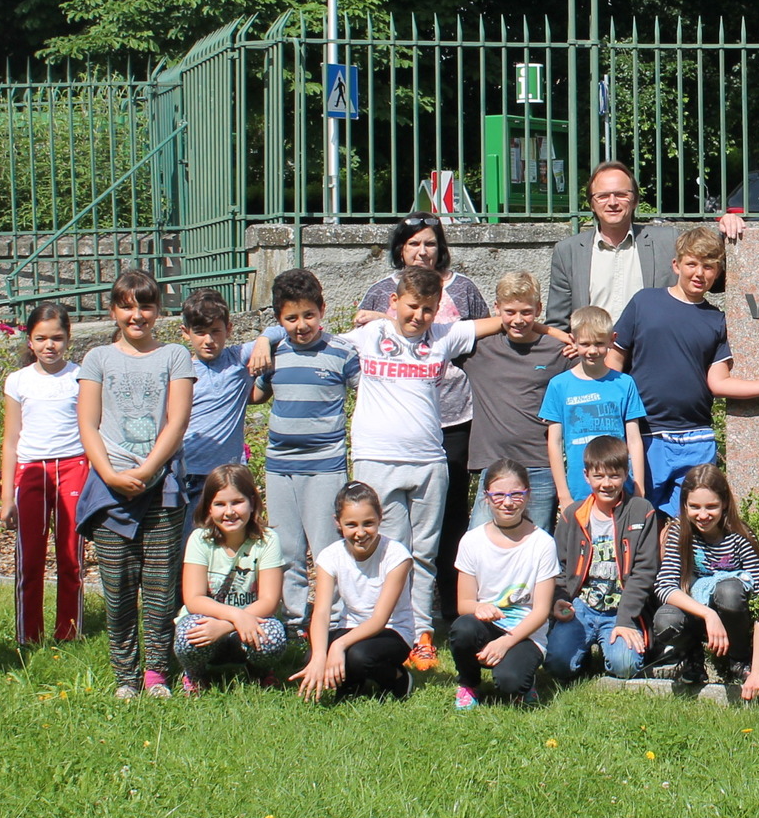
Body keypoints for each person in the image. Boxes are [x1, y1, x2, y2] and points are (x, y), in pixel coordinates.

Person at [256, 264, 519, 674]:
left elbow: (503, 320)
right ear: (393, 302)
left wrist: (555, 333)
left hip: (429, 460)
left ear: (439, 312)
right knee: (388, 553)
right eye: (412, 307)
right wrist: (263, 336)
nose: (419, 316)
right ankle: (387, 630)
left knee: (424, 553)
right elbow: (305, 329)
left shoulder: (445, 336)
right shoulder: (368, 337)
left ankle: (422, 635)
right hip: (376, 459)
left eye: (429, 309)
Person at [610, 227, 759, 514]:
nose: (699, 273)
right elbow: (614, 362)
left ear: (717, 273)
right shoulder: (645, 302)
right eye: (692, 264)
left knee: (695, 523)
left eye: (708, 266)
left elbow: (718, 382)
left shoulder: (716, 320)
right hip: (645, 434)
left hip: (696, 437)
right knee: (640, 518)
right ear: (676, 265)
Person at [356, 214, 492, 619]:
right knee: (393, 540)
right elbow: (334, 337)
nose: (422, 250)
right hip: (387, 442)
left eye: (430, 243)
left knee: (445, 528)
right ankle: (395, 621)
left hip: (450, 423)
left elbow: (491, 325)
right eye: (414, 243)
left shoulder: (461, 290)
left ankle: (442, 616)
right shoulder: (380, 300)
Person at [77, 269, 197, 699]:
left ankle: (156, 673)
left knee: (162, 587)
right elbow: (87, 424)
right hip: (110, 488)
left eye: (145, 305)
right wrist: (109, 474)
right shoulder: (97, 359)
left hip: (162, 487)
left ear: (157, 311)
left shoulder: (175, 356)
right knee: (118, 588)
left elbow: (177, 421)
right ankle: (125, 677)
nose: (137, 314)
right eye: (127, 306)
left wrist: (148, 470)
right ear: (113, 310)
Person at [251, 268, 359, 638]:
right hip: (279, 466)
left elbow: (370, 395)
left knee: (327, 549)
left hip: (325, 467)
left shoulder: (343, 353)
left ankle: (331, 622)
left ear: (323, 310)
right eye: (291, 318)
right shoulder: (276, 352)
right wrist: (263, 342)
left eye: (309, 315)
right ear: (279, 320)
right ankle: (296, 622)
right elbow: (256, 394)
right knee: (286, 549)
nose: (301, 325)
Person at [545, 160, 746, 329]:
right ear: (592, 203)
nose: (612, 202)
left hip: (652, 361)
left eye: (621, 194)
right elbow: (557, 324)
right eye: (603, 196)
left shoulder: (667, 241)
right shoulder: (568, 252)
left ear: (634, 201)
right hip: (593, 362)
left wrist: (726, 232)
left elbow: (716, 279)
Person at [459, 271, 571, 535]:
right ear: (496, 308)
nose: (518, 320)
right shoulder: (478, 349)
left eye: (526, 312)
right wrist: (382, 319)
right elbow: (434, 335)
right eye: (510, 312)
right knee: (480, 541)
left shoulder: (558, 351)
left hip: (540, 464)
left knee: (537, 541)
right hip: (494, 465)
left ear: (539, 309)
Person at [0, 301, 85, 646]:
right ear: (29, 340)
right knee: (30, 560)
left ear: (68, 338)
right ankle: (28, 636)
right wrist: (7, 496)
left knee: (70, 557)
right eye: (41, 338)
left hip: (74, 468)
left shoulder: (80, 376)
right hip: (32, 472)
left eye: (57, 338)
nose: (50, 345)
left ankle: (69, 632)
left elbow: (90, 427)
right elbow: (10, 441)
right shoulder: (18, 381)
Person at [649, 463, 759, 697]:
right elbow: (665, 586)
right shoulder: (678, 532)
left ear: (725, 503)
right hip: (698, 613)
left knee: (728, 591)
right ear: (684, 505)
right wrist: (708, 614)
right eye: (694, 506)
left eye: (711, 506)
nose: (703, 515)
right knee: (665, 619)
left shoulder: (740, 537)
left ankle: (739, 662)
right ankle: (692, 659)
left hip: (731, 615)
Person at [447, 458, 560, 708]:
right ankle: (469, 683)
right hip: (486, 626)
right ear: (486, 498)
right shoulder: (471, 541)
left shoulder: (542, 543)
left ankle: (523, 679)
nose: (507, 502)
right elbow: (463, 603)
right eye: (498, 495)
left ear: (528, 496)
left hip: (525, 633)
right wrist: (478, 608)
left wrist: (506, 642)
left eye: (516, 494)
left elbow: (541, 611)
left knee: (511, 684)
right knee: (463, 629)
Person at [546, 436, 660, 681]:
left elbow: (644, 572)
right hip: (581, 606)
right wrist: (559, 599)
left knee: (625, 667)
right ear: (587, 476)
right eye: (599, 476)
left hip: (620, 608)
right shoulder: (573, 515)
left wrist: (626, 620)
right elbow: (559, 567)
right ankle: (582, 652)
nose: (606, 484)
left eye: (614, 476)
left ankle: (615, 644)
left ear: (625, 474)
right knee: (557, 665)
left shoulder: (642, 511)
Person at [293, 481, 416, 702]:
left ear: (381, 517)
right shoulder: (330, 556)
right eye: (351, 525)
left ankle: (398, 678)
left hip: (392, 631)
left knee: (358, 656)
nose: (360, 533)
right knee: (312, 656)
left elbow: (379, 619)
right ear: (338, 523)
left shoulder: (397, 555)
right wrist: (320, 655)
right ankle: (352, 683)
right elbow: (321, 612)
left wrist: (338, 645)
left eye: (368, 523)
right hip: (350, 626)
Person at [171, 463, 289, 692]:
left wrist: (227, 625)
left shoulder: (268, 540)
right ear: (208, 508)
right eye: (219, 504)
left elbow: (269, 601)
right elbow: (194, 599)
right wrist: (233, 618)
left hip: (249, 622)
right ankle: (195, 674)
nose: (229, 512)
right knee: (189, 636)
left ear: (252, 501)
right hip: (208, 623)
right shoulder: (200, 539)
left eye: (237, 502)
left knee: (273, 637)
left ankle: (259, 671)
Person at [540, 304, 647, 519]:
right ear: (573, 340)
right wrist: (563, 495)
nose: (592, 351)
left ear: (611, 339)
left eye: (599, 343)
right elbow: (554, 442)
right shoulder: (559, 385)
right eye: (585, 344)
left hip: (619, 488)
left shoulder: (624, 383)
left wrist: (639, 489)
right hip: (579, 490)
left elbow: (634, 440)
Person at [176, 288, 254, 514]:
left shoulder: (237, 359)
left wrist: (265, 341)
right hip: (189, 472)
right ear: (185, 332)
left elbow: (281, 331)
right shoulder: (181, 371)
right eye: (200, 332)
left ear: (228, 329)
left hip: (229, 472)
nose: (208, 340)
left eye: (215, 331)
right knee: (190, 539)